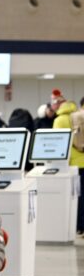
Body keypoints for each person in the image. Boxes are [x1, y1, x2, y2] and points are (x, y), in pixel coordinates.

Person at [52, 100, 84, 235]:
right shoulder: (79, 117)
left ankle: (78, 226)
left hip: (71, 166)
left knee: (76, 197)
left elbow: (58, 143)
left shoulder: (60, 120)